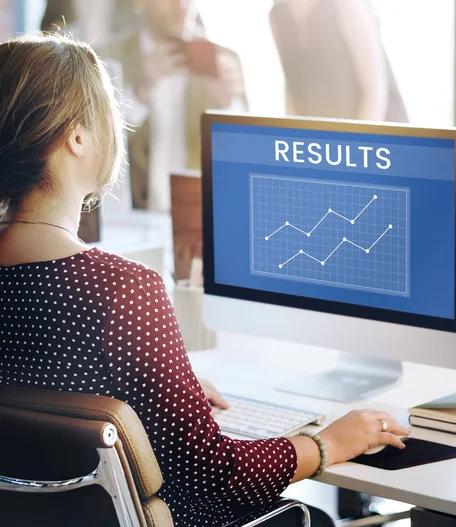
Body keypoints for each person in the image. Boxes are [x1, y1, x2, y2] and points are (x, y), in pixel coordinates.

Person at [0, 34, 410, 527]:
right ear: (77, 137)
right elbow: (213, 476)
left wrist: (162, 386)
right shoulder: (121, 291)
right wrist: (327, 444)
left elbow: (43, 385)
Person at [100, 0, 247, 212]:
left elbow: (241, 154)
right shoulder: (108, 58)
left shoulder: (224, 59)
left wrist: (226, 105)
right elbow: (98, 145)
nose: (181, 5)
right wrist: (140, 91)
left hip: (199, 211)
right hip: (130, 216)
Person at [270, 0, 408, 123]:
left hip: (377, 127)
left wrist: (356, 142)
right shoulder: (277, 16)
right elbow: (293, 85)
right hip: (329, 132)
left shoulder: (346, 4)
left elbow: (375, 88)